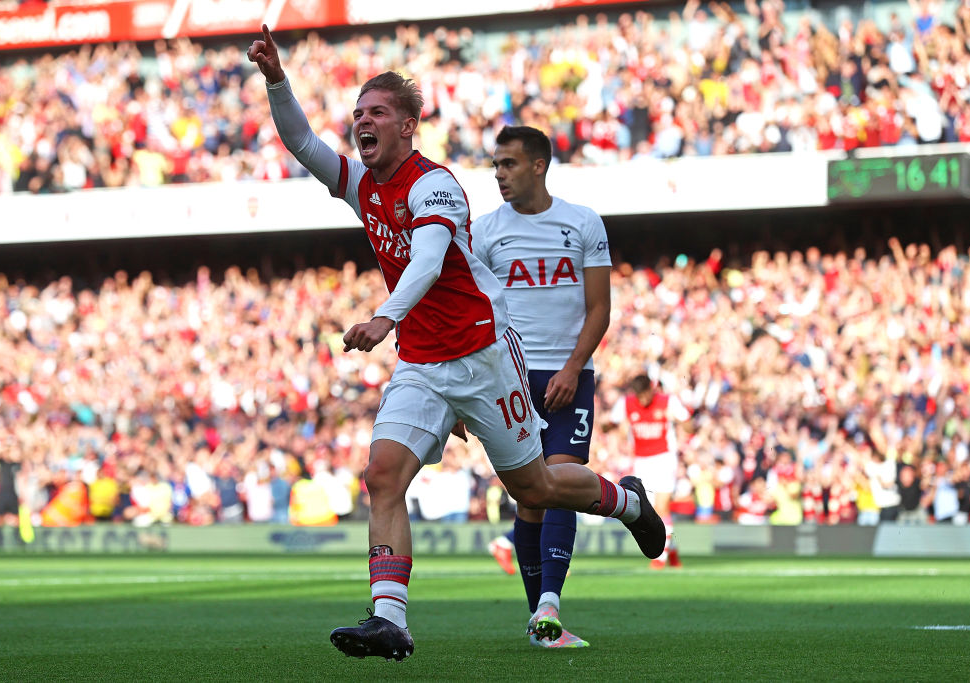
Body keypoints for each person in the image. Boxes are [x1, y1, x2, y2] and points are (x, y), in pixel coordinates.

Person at [247, 25, 665, 662]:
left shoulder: (433, 182)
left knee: (537, 490)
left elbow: (431, 256)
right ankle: (390, 620)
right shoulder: (363, 183)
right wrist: (277, 80)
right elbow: (301, 140)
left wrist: (385, 317)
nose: (364, 121)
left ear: (408, 125)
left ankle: (628, 503)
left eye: (378, 112)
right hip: (421, 361)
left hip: (481, 355)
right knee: (383, 474)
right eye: (358, 112)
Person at [472, 126, 610, 649]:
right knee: (529, 498)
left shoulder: (582, 223)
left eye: (508, 164)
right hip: (507, 377)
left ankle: (550, 603)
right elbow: (474, 313)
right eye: (496, 165)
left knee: (562, 477)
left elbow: (599, 307)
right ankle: (541, 621)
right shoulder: (483, 231)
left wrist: (573, 368)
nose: (499, 174)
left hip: (569, 374)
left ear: (538, 165)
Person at [610, 373, 691, 569]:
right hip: (641, 461)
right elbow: (611, 423)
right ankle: (672, 550)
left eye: (644, 395)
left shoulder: (667, 402)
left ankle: (660, 558)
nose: (642, 400)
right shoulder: (626, 404)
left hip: (664, 457)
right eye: (638, 396)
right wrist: (619, 429)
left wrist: (677, 420)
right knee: (652, 511)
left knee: (663, 507)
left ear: (651, 389)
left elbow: (689, 425)